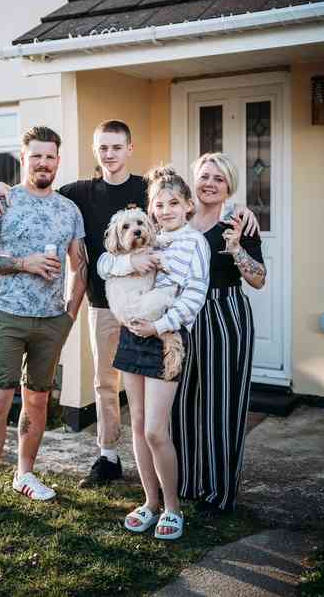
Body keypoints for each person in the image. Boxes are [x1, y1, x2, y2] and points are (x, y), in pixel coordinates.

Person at [0, 120, 159, 488]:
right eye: (103, 148)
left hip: (148, 301)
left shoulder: (148, 189)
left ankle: (160, 456)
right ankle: (108, 456)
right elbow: (35, 189)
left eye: (116, 147)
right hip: (102, 303)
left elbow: (184, 206)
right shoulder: (79, 192)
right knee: (106, 384)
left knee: (153, 380)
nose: (109, 154)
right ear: (95, 151)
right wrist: (0, 186)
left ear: (130, 148)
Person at [0, 126, 87, 524]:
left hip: (51, 321)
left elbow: (79, 265)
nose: (43, 163)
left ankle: (25, 474)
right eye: (36, 156)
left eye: (50, 156)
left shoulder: (68, 210)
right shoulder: (3, 200)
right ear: (24, 158)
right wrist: (22, 262)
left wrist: (69, 315)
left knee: (37, 401)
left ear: (58, 161)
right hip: (6, 316)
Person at [98, 167, 211, 540]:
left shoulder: (195, 243)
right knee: (139, 425)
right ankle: (149, 502)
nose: (165, 210)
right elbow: (103, 264)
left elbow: (194, 297)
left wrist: (158, 327)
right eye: (158, 204)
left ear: (188, 206)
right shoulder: (151, 237)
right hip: (133, 336)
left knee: (156, 431)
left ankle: (173, 508)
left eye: (173, 203)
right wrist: (127, 263)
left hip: (166, 336)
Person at [171, 152, 266, 519]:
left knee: (221, 406)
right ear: (194, 180)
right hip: (181, 315)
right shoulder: (178, 216)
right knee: (180, 404)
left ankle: (217, 493)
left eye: (218, 179)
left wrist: (237, 249)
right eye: (204, 176)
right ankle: (184, 484)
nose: (209, 183)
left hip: (225, 316)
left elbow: (258, 279)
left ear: (229, 186)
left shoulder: (239, 221)